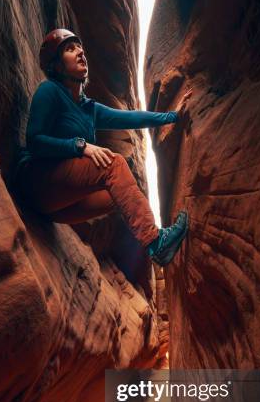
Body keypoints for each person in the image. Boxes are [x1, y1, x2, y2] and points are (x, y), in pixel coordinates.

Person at [16, 28, 192, 266]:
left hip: (55, 208)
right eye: (70, 49)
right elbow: (34, 141)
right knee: (114, 164)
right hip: (36, 184)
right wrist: (80, 146)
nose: (80, 53)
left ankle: (152, 240)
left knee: (119, 193)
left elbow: (131, 118)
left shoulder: (88, 108)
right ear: (56, 66)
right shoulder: (50, 91)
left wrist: (172, 117)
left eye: (80, 48)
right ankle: (155, 241)